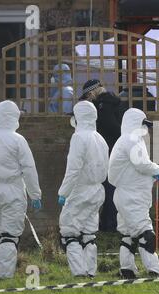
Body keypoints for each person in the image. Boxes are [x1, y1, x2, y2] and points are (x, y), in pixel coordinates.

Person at [0, 100, 42, 279]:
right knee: (9, 236)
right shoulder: (17, 140)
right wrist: (35, 194)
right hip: (12, 191)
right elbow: (29, 168)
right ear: (14, 117)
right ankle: (4, 275)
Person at [108, 108, 159, 279]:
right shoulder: (131, 140)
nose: (145, 129)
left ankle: (127, 270)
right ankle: (154, 271)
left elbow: (134, 168)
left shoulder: (127, 140)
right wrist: (157, 169)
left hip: (127, 195)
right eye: (143, 124)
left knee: (128, 235)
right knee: (145, 233)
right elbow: (141, 164)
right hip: (132, 197)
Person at [58, 100, 109, 278]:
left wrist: (63, 193)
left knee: (69, 232)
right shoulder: (100, 138)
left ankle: (79, 272)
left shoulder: (79, 138)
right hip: (97, 191)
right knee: (88, 233)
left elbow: (73, 169)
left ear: (78, 117)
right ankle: (90, 271)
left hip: (80, 191)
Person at [80, 79, 128, 232]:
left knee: (107, 190)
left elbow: (111, 128)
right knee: (112, 188)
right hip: (117, 152)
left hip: (106, 153)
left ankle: (109, 224)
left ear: (91, 93)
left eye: (88, 96)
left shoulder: (103, 107)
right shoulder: (116, 103)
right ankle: (110, 223)